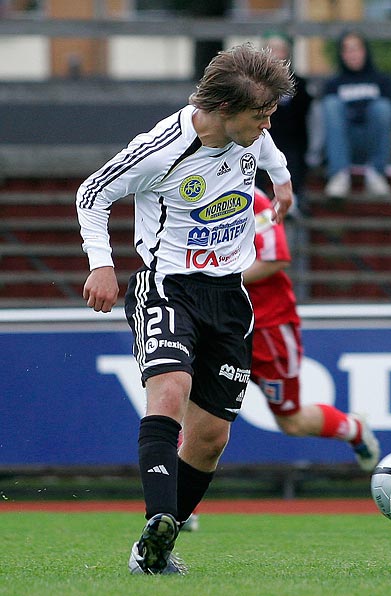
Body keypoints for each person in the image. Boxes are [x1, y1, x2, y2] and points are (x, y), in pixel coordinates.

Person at [76, 44, 295, 575]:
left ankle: (155, 551)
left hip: (229, 296)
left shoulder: (253, 135)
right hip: (167, 286)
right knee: (170, 388)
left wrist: (282, 183)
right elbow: (92, 193)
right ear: (223, 108)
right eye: (260, 113)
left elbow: (269, 152)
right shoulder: (160, 148)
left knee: (211, 439)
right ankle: (158, 521)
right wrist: (101, 265)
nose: (268, 124)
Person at [181, 188, 381, 532]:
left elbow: (275, 259)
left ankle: (354, 429)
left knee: (291, 420)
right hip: (217, 325)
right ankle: (182, 506)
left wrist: (216, 280)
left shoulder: (253, 200)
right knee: (190, 406)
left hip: (268, 329)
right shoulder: (191, 191)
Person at [321, 30, 391, 201]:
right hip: (342, 143)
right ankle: (339, 175)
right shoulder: (333, 84)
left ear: (365, 51)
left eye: (356, 49)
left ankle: (377, 173)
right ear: (342, 54)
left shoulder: (383, 81)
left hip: (372, 142)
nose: (353, 54)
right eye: (347, 50)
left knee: (383, 107)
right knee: (331, 103)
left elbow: (386, 120)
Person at [255, 32, 313, 214]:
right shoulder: (252, 84)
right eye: (272, 49)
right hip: (257, 137)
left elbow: (305, 119)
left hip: (291, 142)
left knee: (292, 156)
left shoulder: (300, 85)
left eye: (280, 50)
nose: (276, 55)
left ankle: (292, 198)